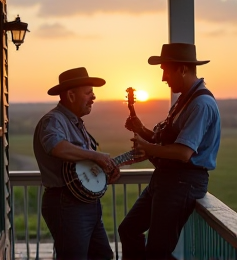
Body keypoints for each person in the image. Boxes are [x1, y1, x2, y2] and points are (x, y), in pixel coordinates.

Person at [118, 43, 221, 260]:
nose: (163, 78)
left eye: (166, 70)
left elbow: (183, 153)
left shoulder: (200, 104)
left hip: (183, 182)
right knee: (128, 230)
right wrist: (142, 131)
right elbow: (168, 140)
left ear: (182, 69)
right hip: (167, 180)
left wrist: (147, 148)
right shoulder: (184, 100)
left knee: (157, 252)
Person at [33, 67, 120, 260]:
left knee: (103, 256)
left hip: (86, 204)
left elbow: (79, 168)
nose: (94, 97)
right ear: (71, 95)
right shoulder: (53, 120)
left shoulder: (76, 124)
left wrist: (104, 173)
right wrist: (96, 156)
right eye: (88, 93)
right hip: (66, 204)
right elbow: (57, 147)